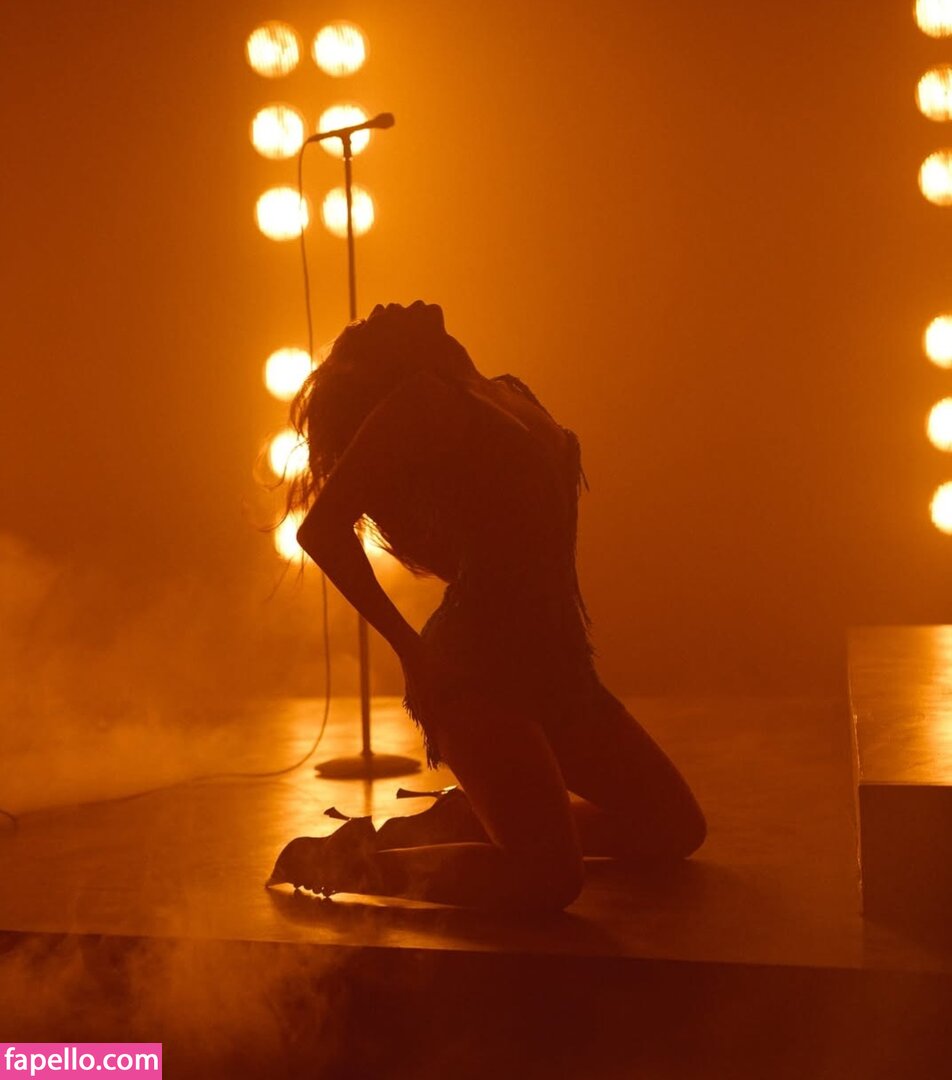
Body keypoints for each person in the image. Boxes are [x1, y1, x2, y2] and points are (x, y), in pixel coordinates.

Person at [267, 301, 705, 911]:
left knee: (673, 827)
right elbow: (321, 530)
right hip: (477, 669)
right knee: (548, 880)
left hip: (557, 662)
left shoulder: (505, 391)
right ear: (392, 361)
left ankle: (470, 822)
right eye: (372, 326)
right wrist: (412, 651)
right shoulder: (422, 400)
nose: (387, 305)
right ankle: (352, 863)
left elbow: (506, 534)